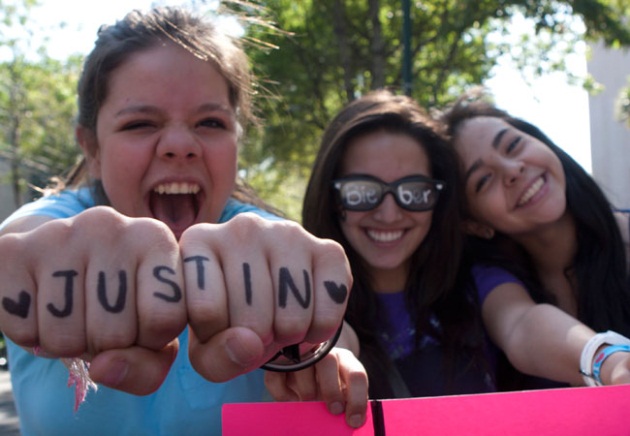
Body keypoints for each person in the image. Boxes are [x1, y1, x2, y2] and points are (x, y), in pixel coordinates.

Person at [0, 7, 368, 434]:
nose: (179, 144)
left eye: (210, 122)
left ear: (237, 141)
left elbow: (328, 320)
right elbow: (22, 244)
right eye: (140, 123)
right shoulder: (59, 222)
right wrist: (31, 268)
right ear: (91, 148)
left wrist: (319, 353)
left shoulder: (256, 235)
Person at [285, 89, 496, 399]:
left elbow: (524, 324)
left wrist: (593, 354)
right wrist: (325, 357)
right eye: (362, 191)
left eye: (413, 190)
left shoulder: (478, 282)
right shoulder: (308, 298)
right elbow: (329, 341)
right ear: (332, 199)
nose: (389, 214)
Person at [439, 88, 630, 390]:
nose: (512, 170)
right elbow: (521, 327)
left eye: (513, 145)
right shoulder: (491, 282)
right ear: (475, 225)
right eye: (483, 180)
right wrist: (611, 362)